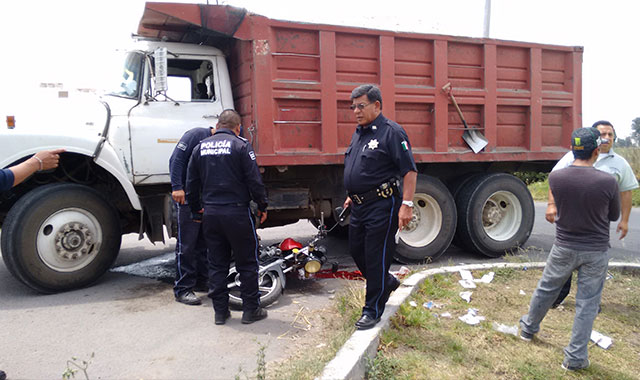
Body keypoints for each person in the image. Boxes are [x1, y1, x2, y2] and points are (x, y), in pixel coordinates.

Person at [520, 127, 620, 371]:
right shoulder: (608, 181)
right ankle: (575, 358)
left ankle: (528, 329)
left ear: (573, 150)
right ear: (597, 151)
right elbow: (615, 214)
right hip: (595, 250)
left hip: (564, 246)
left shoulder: (556, 178)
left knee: (546, 289)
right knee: (587, 304)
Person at [342, 84, 418, 330]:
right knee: (356, 250)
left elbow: (409, 171)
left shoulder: (392, 132)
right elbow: (362, 168)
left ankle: (372, 310)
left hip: (382, 205)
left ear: (377, 105)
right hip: (360, 206)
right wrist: (352, 195)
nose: (356, 111)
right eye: (353, 106)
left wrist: (407, 204)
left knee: (376, 257)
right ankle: (385, 282)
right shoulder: (359, 133)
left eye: (361, 105)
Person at [186, 109, 269, 325]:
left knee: (217, 263)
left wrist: (196, 211)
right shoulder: (241, 145)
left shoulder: (199, 147)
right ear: (237, 127)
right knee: (247, 262)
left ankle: (220, 313)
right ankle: (251, 310)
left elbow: (191, 184)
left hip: (211, 214)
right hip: (237, 213)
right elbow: (254, 181)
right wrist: (263, 205)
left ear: (218, 124)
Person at [547, 121, 638, 307]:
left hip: (597, 229)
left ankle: (588, 304)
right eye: (602, 134)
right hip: (569, 223)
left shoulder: (619, 164)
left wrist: (625, 220)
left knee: (592, 268)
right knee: (564, 264)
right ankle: (555, 300)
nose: (606, 138)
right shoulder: (573, 157)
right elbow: (554, 178)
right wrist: (551, 204)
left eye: (610, 135)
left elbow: (626, 192)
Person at [169, 127, 215, 305]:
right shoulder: (195, 135)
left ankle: (202, 281)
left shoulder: (218, 140)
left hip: (204, 199)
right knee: (186, 244)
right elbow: (176, 160)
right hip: (187, 197)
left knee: (204, 243)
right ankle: (183, 289)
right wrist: (177, 187)